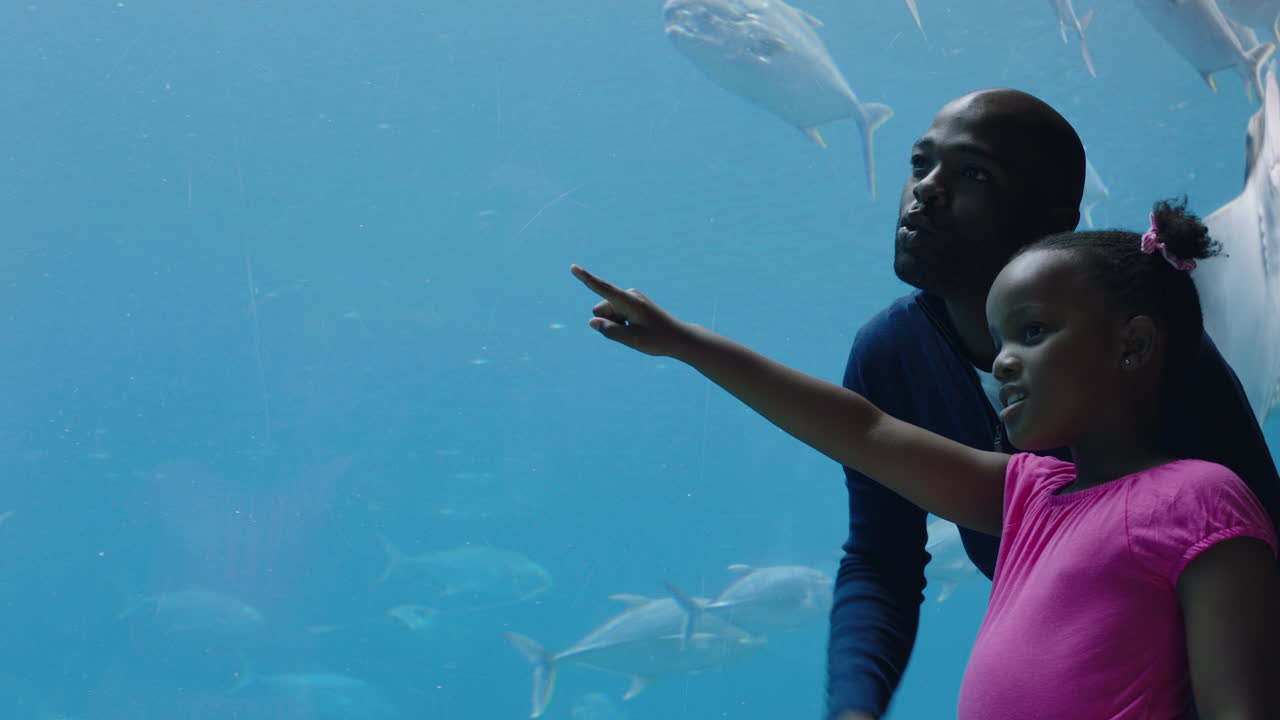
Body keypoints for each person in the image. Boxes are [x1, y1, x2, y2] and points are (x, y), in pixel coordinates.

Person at [568, 196, 1280, 718]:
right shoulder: (1028, 495)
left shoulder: (1199, 501)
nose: (1003, 361)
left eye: (1033, 332)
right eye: (1000, 341)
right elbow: (864, 432)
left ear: (1133, 345)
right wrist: (688, 345)